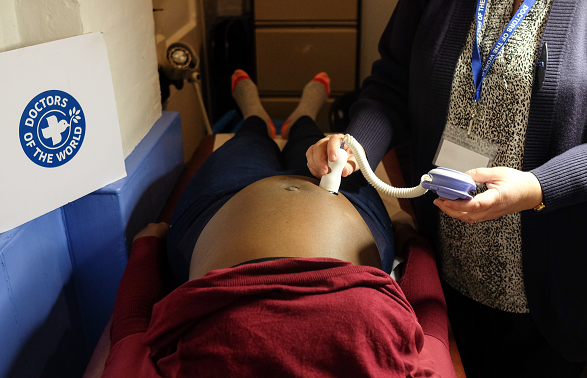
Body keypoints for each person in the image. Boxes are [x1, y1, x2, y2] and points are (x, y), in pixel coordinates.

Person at [101, 71, 457, 377]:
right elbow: (433, 330)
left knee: (251, 138)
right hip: (350, 211)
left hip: (217, 210)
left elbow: (130, 334)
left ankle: (254, 112)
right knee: (311, 140)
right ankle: (303, 112)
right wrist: (411, 239)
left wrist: (147, 247)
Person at [306, 0, 587, 377]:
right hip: (442, 276)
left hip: (547, 301)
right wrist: (354, 148)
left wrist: (539, 187)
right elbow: (391, 84)